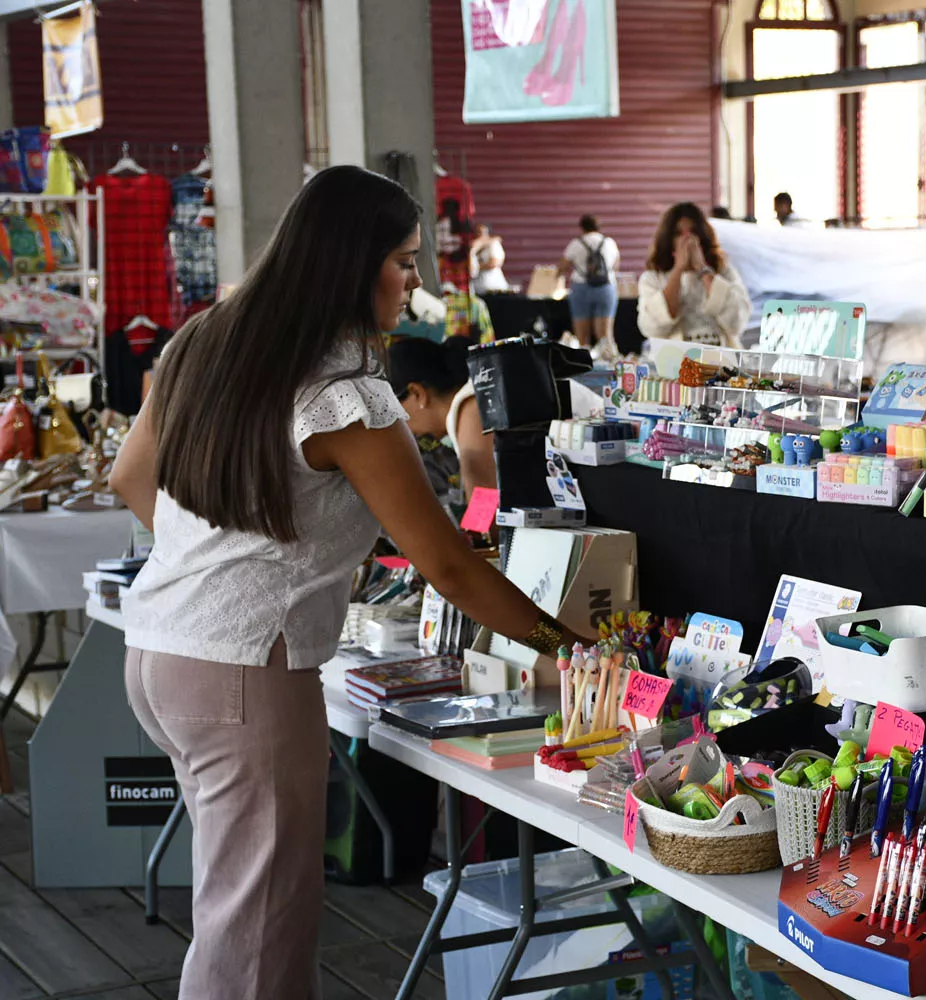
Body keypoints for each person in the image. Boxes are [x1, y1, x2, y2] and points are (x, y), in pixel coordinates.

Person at [108, 166, 581, 999]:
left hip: (161, 651)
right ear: (351, 263)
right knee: (257, 928)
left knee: (232, 902)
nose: (418, 282)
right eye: (403, 260)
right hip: (243, 674)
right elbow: (444, 564)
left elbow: (128, 478)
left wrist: (216, 555)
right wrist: (569, 647)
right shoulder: (345, 394)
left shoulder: (207, 340)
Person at [387, 335, 495, 502]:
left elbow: (485, 504)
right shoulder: (475, 397)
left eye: (394, 414)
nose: (402, 428)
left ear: (417, 393)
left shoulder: (469, 410)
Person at [638, 202, 752, 347]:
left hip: (722, 361)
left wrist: (702, 269)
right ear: (668, 239)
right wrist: (679, 269)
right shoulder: (653, 278)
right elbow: (653, 327)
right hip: (673, 362)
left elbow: (737, 322)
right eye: (679, 234)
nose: (688, 240)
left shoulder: (725, 272)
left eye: (693, 232)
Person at [557, 214, 621, 354]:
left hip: (581, 288)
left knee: (582, 337)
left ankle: (584, 367)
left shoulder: (576, 243)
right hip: (605, 288)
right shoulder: (609, 242)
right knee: (605, 335)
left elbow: (562, 266)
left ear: (582, 227)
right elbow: (616, 266)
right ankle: (612, 366)